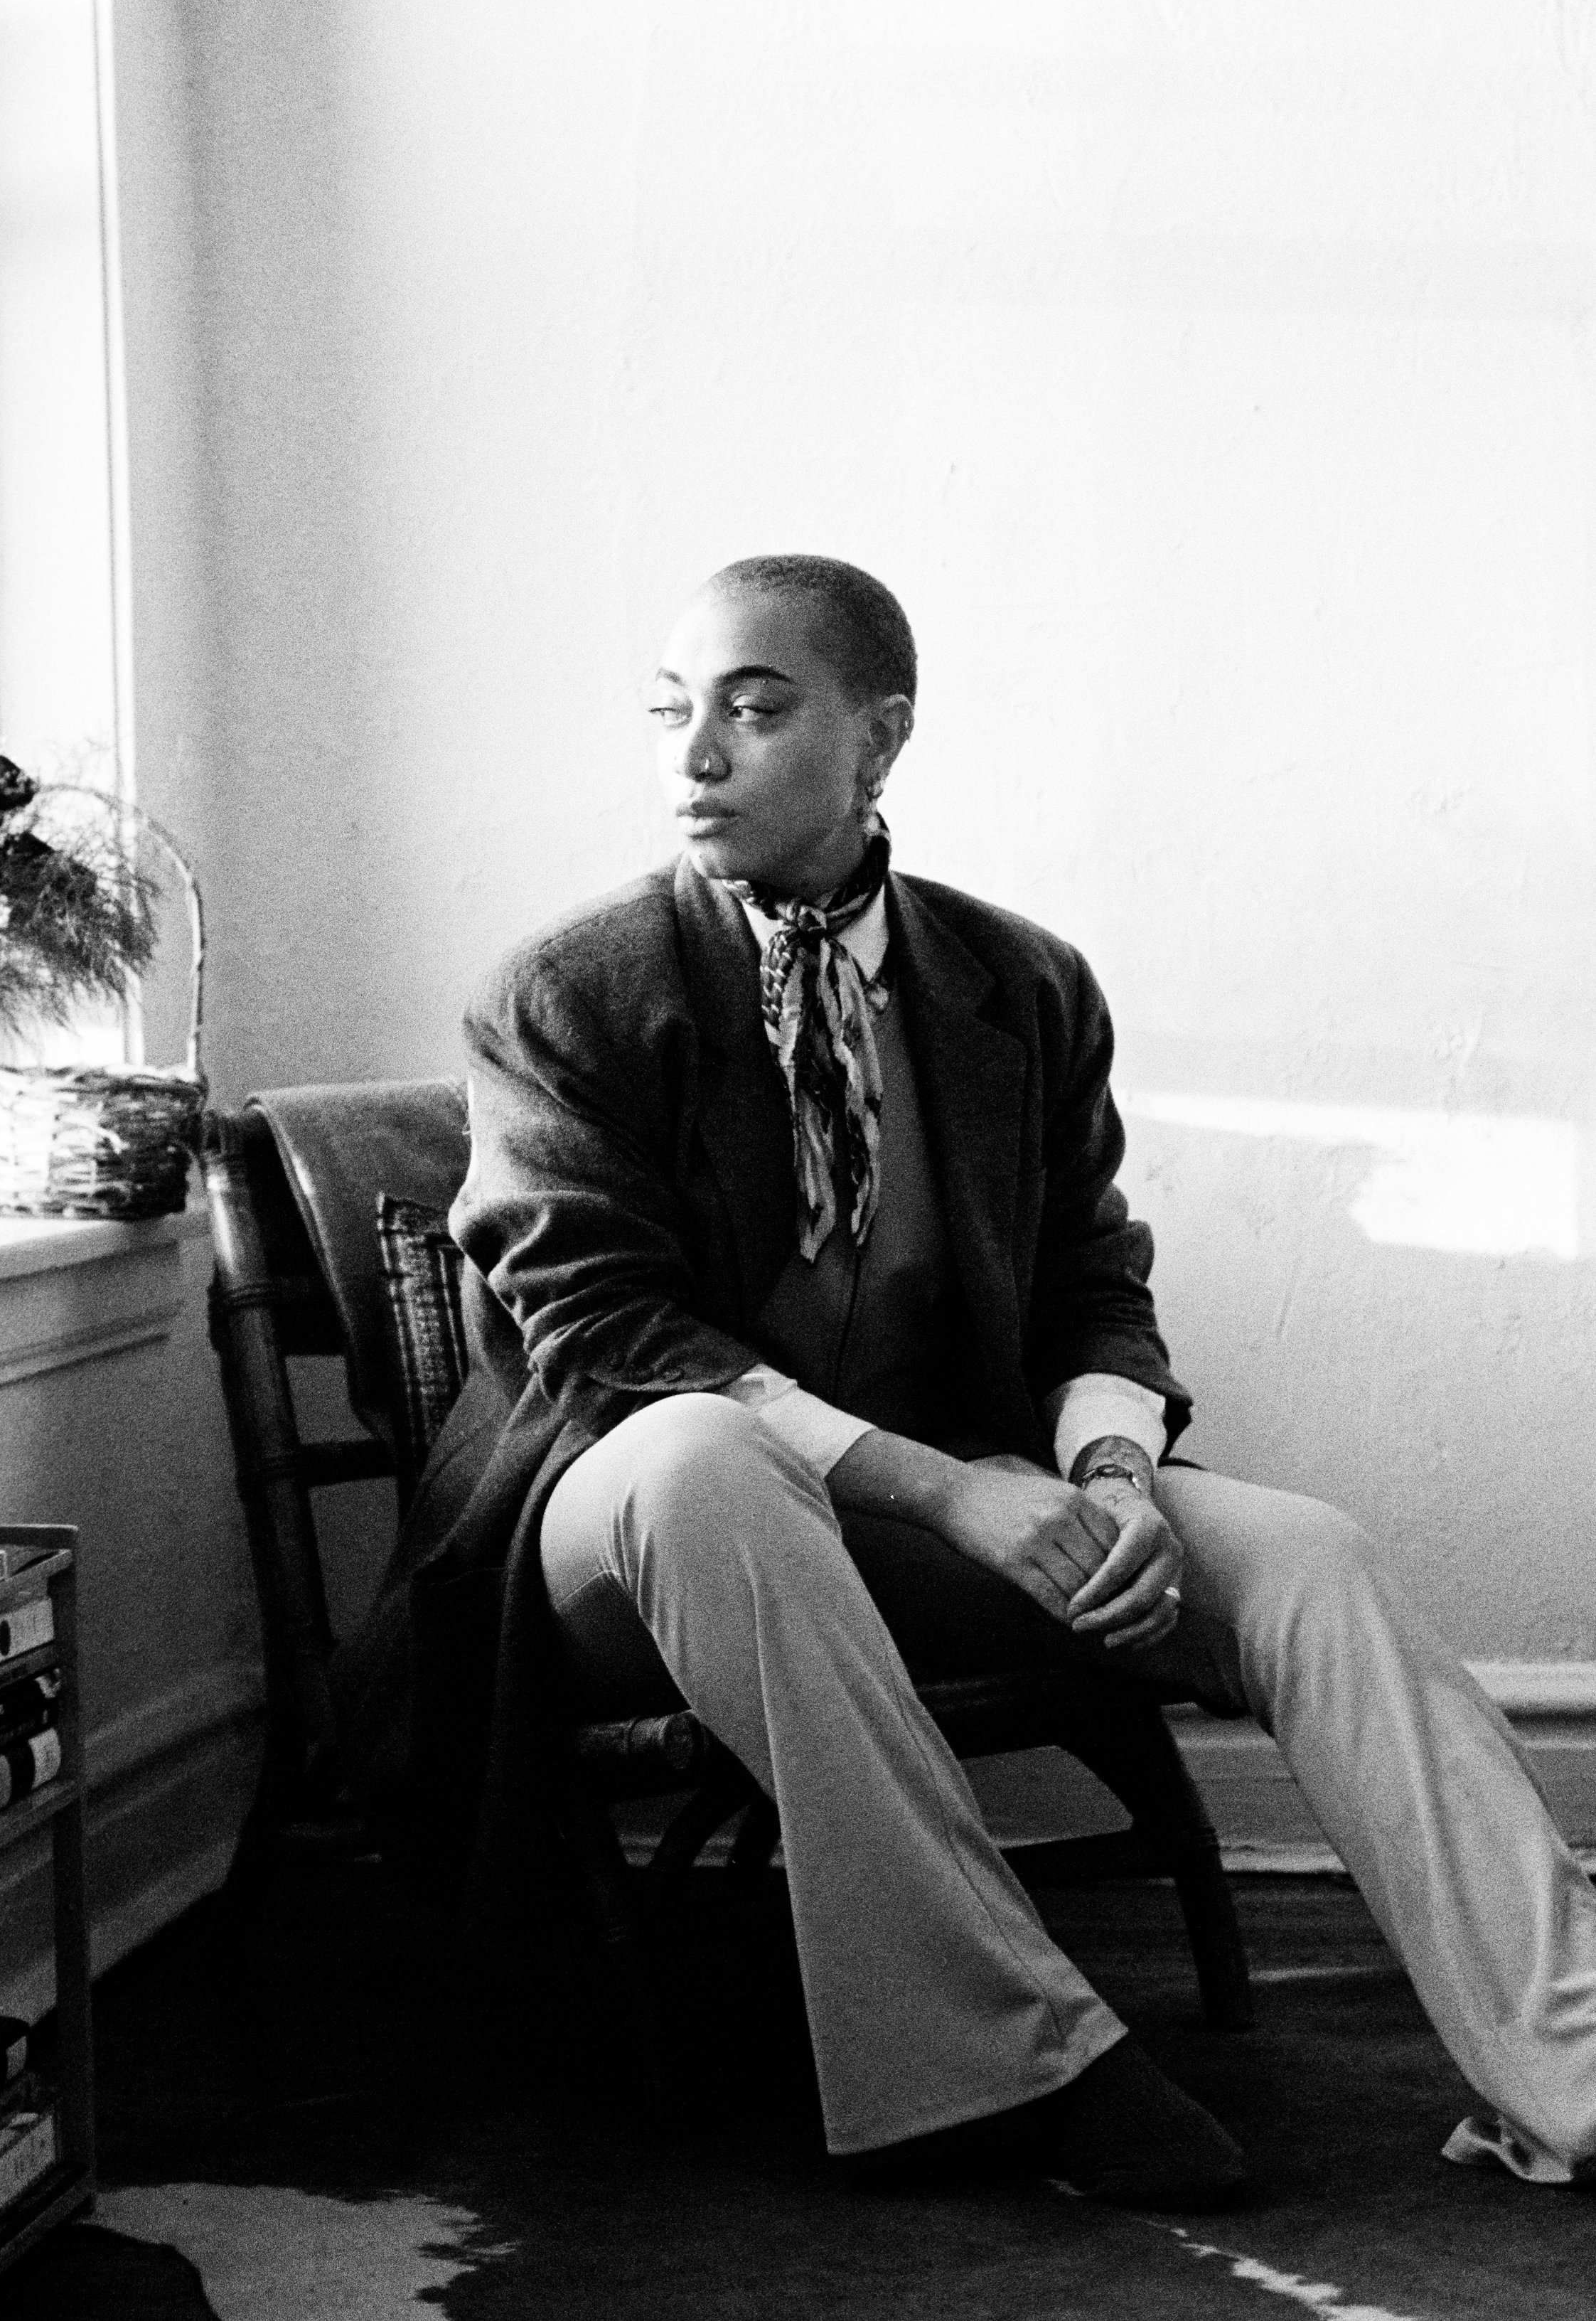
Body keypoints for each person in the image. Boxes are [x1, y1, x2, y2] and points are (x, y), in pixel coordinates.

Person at [368, 554, 1596, 2207]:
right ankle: (1012, 2061)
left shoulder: (1020, 982)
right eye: (671, 711)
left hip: (930, 1507)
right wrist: (952, 1492)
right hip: (620, 1531)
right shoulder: (564, 991)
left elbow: (1092, 1281)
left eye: (753, 707)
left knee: (1303, 1556)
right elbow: (606, 1335)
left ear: (879, 738)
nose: (694, 754)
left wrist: (1105, 1478)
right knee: (702, 1459)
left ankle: (1574, 2066)